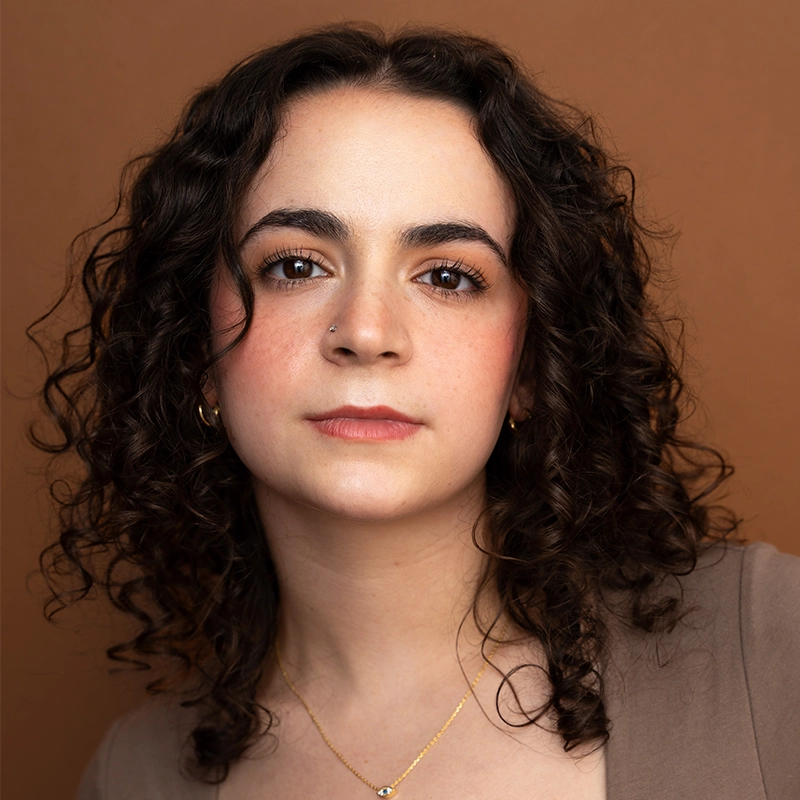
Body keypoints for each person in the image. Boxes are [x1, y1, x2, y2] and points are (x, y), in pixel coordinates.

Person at [31, 24, 799, 800]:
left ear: (533, 365)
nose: (367, 333)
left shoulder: (768, 647)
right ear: (196, 351)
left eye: (448, 276)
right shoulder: (136, 777)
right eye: (295, 266)